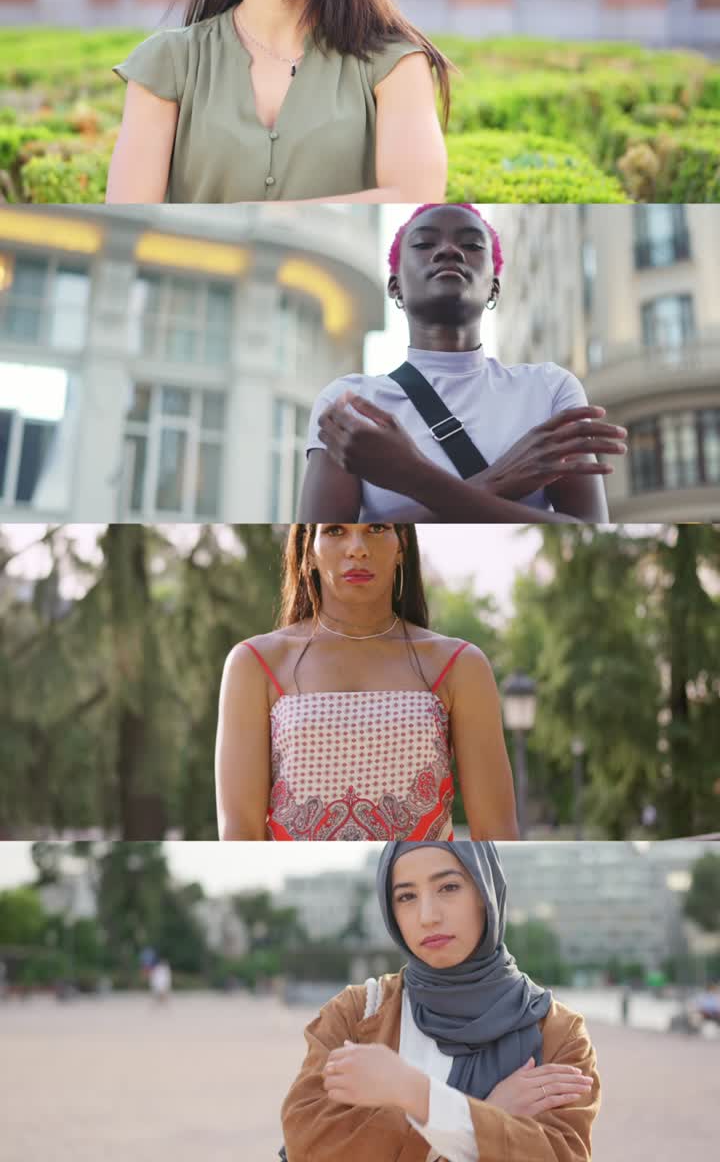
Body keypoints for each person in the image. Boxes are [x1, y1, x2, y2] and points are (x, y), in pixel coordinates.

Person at [107, 0, 449, 203]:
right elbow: (129, 217)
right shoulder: (167, 62)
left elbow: (414, 196)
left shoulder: (394, 62)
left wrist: (267, 218)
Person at [299, 203, 629, 524]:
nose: (448, 251)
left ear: (494, 287)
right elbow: (328, 543)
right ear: (395, 285)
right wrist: (498, 482)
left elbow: (588, 533)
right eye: (425, 243)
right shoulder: (350, 404)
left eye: (471, 245)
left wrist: (412, 475)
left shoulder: (549, 389)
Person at [282, 841, 600, 1162]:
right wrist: (486, 1115)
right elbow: (308, 1143)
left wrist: (414, 1093)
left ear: (484, 892)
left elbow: (562, 1155)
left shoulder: (558, 1032)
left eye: (448, 887)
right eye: (406, 896)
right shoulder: (355, 1014)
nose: (428, 916)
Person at [215, 525, 518, 841]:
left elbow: (496, 831)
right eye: (335, 531)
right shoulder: (254, 664)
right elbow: (241, 832)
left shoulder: (459, 664)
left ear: (401, 546)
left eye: (376, 528)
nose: (357, 548)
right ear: (308, 553)